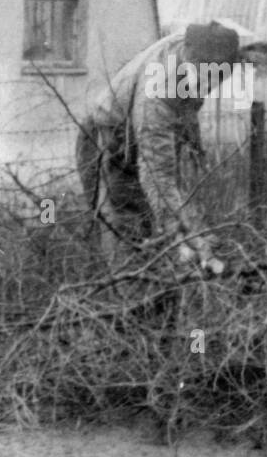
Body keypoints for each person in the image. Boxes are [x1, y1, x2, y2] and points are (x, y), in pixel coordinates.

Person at [76, 21, 244, 274]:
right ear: (190, 62)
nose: (210, 86)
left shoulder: (193, 48)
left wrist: (193, 142)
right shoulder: (159, 94)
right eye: (206, 77)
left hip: (141, 134)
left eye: (218, 77)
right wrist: (181, 232)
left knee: (158, 226)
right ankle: (128, 303)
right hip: (110, 143)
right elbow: (158, 176)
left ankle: (165, 285)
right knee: (128, 233)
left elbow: (186, 104)